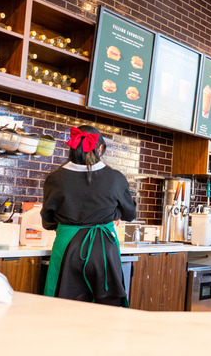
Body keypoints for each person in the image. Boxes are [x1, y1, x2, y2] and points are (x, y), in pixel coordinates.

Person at [42, 125, 137, 306]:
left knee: (62, 306)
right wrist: (111, 212)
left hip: (67, 245)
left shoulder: (55, 178)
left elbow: (48, 220)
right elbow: (130, 213)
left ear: (72, 147)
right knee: (107, 308)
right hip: (105, 248)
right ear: (99, 148)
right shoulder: (115, 178)